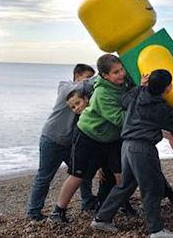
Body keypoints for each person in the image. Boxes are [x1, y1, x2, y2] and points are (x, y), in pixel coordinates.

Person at [91, 69, 173, 237]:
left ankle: (101, 218)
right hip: (142, 148)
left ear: (148, 83)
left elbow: (124, 100)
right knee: (152, 187)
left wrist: (139, 86)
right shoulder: (158, 107)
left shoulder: (138, 93)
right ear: (168, 87)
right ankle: (156, 230)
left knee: (126, 184)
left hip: (126, 146)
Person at [49, 54, 128, 223]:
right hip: (88, 136)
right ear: (105, 76)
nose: (121, 74)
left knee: (120, 173)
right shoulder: (102, 93)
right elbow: (120, 119)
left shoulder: (122, 83)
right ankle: (58, 211)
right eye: (116, 72)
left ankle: (122, 204)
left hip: (110, 139)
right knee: (78, 175)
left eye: (122, 69)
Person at [26, 64, 96, 221]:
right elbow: (86, 84)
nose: (89, 82)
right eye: (87, 77)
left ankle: (88, 202)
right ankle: (33, 212)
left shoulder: (84, 98)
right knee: (44, 177)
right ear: (77, 76)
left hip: (70, 143)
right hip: (52, 139)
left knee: (82, 172)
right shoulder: (65, 88)